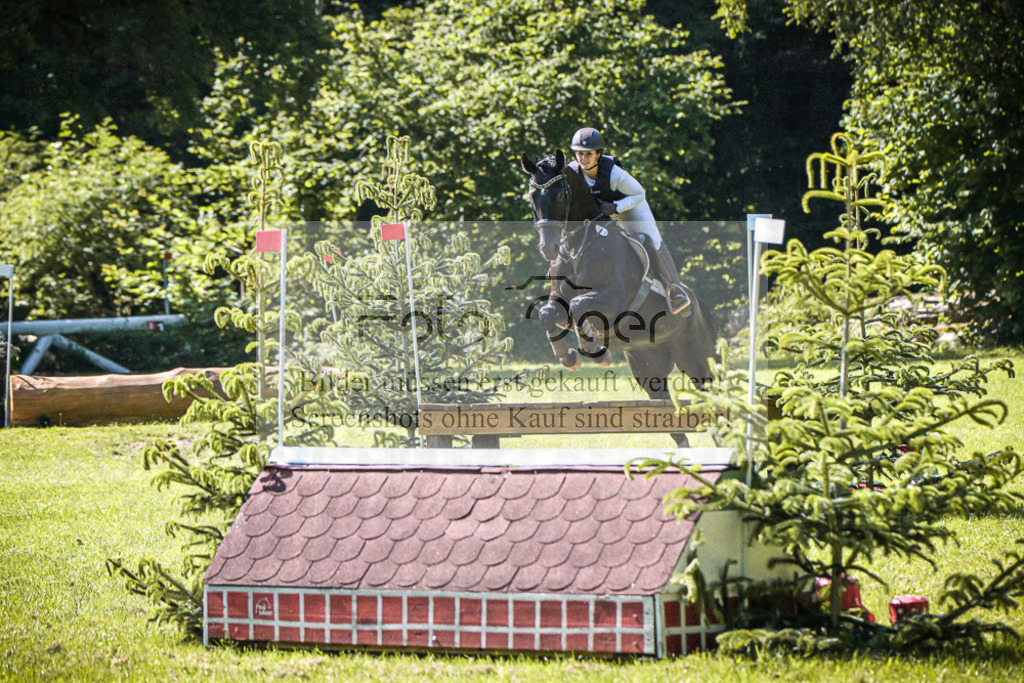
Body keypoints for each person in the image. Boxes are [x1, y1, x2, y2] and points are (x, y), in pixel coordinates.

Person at [567, 127, 691, 316]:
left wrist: (617, 207)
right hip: (603, 215)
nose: (583, 159)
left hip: (630, 209)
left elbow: (640, 193)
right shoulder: (572, 173)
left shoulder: (614, 173)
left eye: (588, 154)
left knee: (652, 241)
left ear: (598, 154)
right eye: (579, 153)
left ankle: (675, 290)